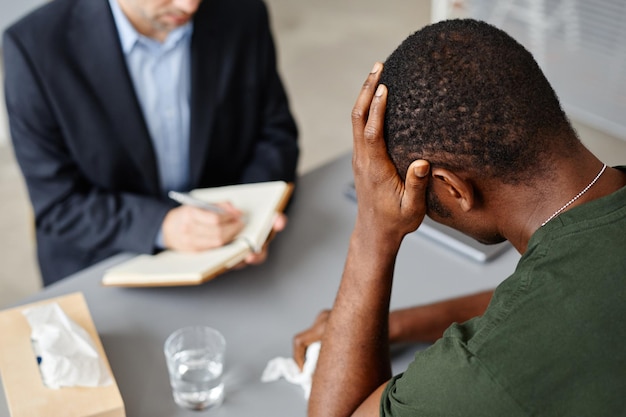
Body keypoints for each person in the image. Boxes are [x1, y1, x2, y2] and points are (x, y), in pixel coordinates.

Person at [295, 19, 626, 416]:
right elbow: (564, 287)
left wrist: (374, 229)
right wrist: (397, 325)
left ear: (452, 188)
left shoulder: (487, 367)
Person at [3, 0, 299, 286]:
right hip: (106, 261)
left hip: (229, 255)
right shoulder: (34, 47)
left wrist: (253, 221)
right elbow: (58, 202)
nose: (190, 5)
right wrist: (162, 227)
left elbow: (275, 134)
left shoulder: (244, 12)